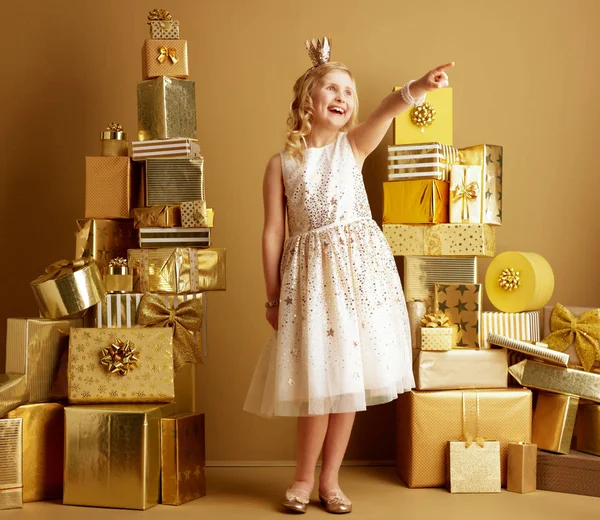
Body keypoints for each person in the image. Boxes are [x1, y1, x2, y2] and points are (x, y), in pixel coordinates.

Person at [244, 37, 454, 514]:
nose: (343, 98)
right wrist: (273, 297)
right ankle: (301, 479)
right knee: (318, 381)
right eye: (332, 90)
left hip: (360, 277)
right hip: (311, 283)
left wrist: (418, 87)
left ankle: (331, 482)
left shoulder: (351, 146)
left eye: (348, 92)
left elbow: (385, 110)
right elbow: (273, 233)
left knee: (346, 385)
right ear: (307, 102)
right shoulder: (281, 165)